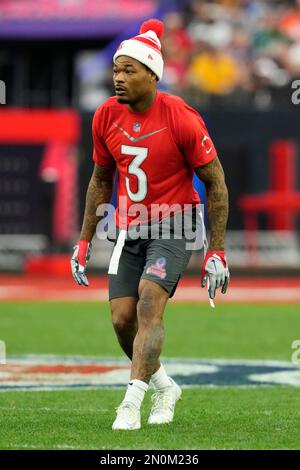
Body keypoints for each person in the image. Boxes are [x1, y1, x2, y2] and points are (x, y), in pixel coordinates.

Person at [71, 19, 229, 431]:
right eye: (116, 70)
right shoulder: (105, 115)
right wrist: (84, 241)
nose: (119, 78)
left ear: (152, 74)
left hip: (175, 224)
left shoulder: (181, 115)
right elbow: (100, 179)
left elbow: (216, 182)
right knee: (122, 319)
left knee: (147, 303)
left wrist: (216, 250)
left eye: (129, 70)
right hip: (130, 225)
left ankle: (130, 402)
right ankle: (164, 386)